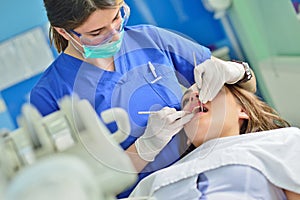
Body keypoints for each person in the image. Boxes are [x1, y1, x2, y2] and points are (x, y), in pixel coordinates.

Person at [29, 0, 256, 197]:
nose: (116, 35)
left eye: (117, 18)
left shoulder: (150, 38)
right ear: (64, 32)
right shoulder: (50, 93)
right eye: (97, 33)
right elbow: (82, 185)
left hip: (206, 174)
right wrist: (145, 148)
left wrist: (234, 71)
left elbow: (246, 92)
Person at [130, 82, 300, 199]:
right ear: (186, 135)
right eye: (186, 100)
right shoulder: (153, 180)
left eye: (207, 90)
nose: (194, 97)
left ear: (243, 111)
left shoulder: (281, 141)